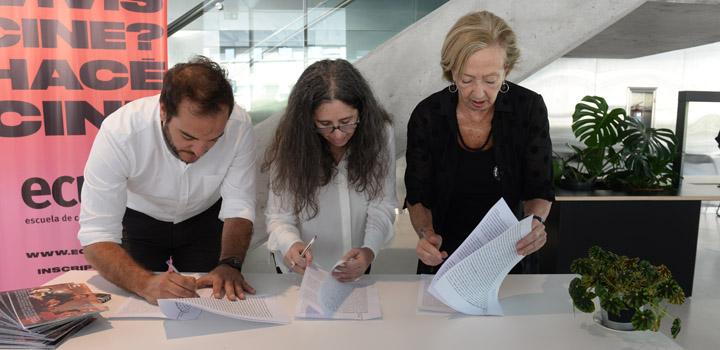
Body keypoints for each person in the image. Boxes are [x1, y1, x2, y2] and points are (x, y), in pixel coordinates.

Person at [77, 56, 257, 304]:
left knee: (212, 304)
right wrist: (144, 283)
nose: (200, 151)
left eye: (214, 139)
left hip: (204, 219)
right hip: (140, 220)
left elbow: (239, 202)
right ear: (163, 110)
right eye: (188, 136)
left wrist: (230, 263)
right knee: (139, 304)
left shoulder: (239, 125)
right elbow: (96, 234)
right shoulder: (120, 132)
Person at [404, 11, 555, 274]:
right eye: (466, 79)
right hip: (444, 257)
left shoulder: (527, 108)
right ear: (451, 71)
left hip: (511, 257)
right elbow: (418, 197)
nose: (478, 92)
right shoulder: (428, 115)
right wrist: (425, 234)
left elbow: (539, 188)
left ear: (506, 70)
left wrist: (535, 223)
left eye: (490, 80)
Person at [264, 59, 397, 282]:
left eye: (347, 121)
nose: (337, 134)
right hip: (299, 270)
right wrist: (290, 244)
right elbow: (279, 216)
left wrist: (368, 251)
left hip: (356, 264)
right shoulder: (292, 140)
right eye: (324, 124)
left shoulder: (380, 133)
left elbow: (382, 203)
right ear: (307, 121)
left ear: (362, 112)